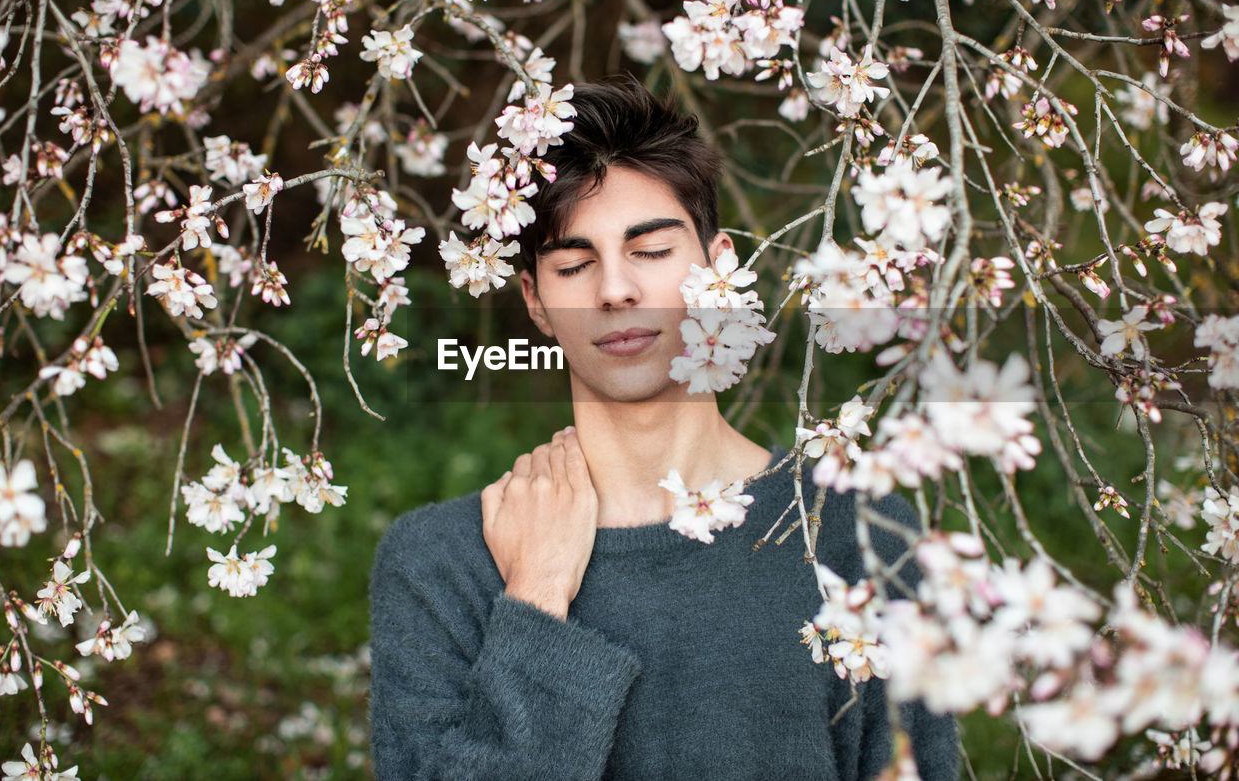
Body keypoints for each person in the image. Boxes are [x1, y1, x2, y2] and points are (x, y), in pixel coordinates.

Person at [369, 81, 958, 779]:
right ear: (535, 299)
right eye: (574, 263)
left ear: (720, 267)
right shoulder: (440, 564)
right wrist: (535, 597)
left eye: (650, 251)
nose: (614, 290)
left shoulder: (858, 534)